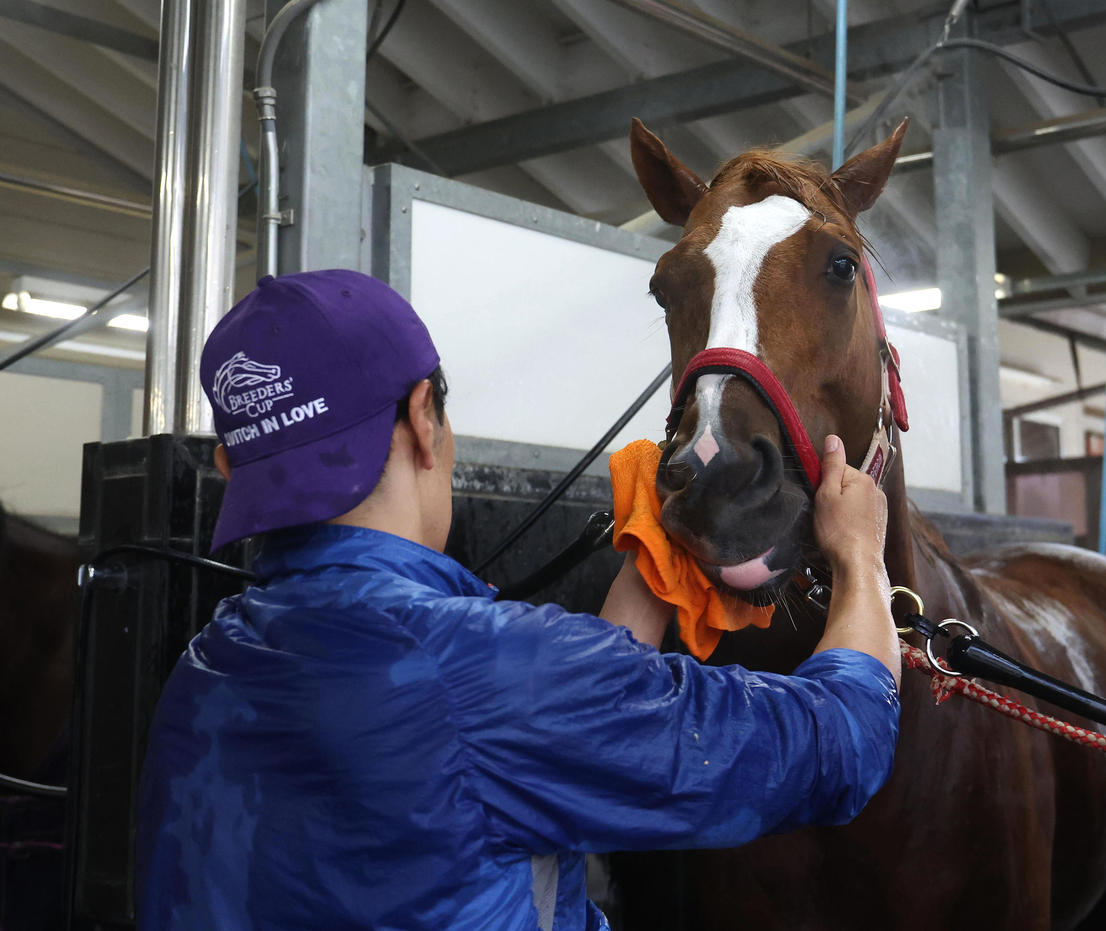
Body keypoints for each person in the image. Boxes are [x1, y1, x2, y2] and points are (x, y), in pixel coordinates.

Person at [136, 269, 902, 930]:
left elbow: (538, 746)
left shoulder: (203, 674)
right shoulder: (480, 669)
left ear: (231, 464)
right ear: (422, 419)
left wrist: (652, 576)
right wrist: (860, 554)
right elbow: (843, 741)